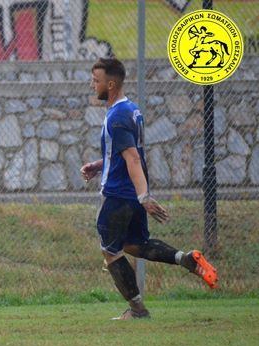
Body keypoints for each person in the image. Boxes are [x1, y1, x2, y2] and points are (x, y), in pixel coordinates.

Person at [80, 57, 217, 320]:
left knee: (111, 251)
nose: (92, 85)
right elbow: (126, 153)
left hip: (118, 194)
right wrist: (99, 165)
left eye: (96, 80)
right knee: (134, 245)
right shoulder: (131, 110)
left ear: (111, 84)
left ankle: (137, 310)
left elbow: (133, 158)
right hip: (131, 192)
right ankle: (184, 258)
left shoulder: (117, 116)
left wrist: (145, 197)